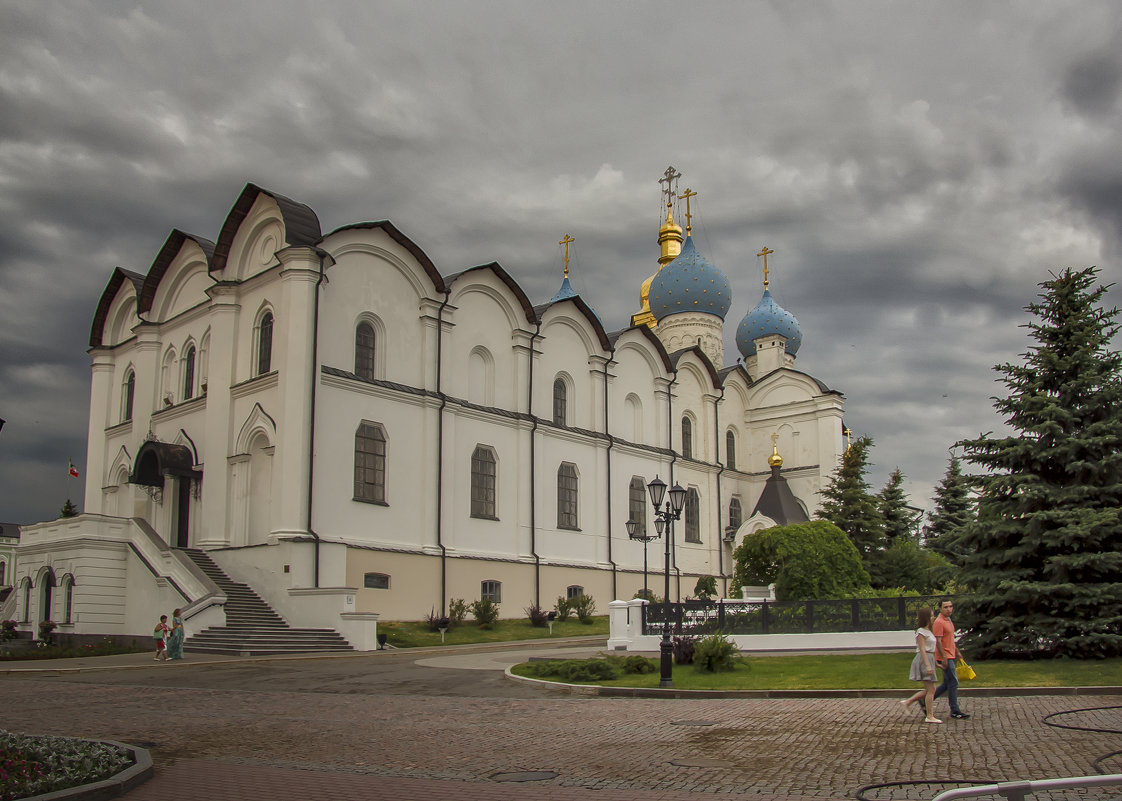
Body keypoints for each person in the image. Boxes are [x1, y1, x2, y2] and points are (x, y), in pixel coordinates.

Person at [900, 607, 941, 723]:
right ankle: (930, 715)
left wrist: (935, 664)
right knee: (931, 690)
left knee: (931, 689)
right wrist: (928, 665)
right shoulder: (921, 632)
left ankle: (908, 702)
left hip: (930, 658)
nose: (934, 618)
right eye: (932, 616)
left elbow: (931, 649)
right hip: (924, 659)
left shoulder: (929, 631)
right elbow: (922, 649)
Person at [932, 598, 970, 719]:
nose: (949, 609)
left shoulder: (948, 620)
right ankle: (955, 710)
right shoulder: (939, 622)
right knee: (954, 681)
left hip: (950, 654)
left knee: (947, 683)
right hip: (945, 656)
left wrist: (957, 652)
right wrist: (944, 657)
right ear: (940, 609)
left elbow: (950, 639)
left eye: (950, 606)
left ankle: (925, 700)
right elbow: (938, 642)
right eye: (946, 607)